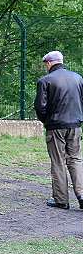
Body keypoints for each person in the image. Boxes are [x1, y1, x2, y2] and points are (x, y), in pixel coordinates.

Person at [34, 50, 83, 210]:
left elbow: (40, 107)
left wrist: (47, 122)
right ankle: (82, 195)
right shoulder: (78, 78)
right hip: (75, 126)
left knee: (58, 161)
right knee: (75, 159)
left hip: (55, 127)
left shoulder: (45, 81)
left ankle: (61, 200)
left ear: (48, 63)